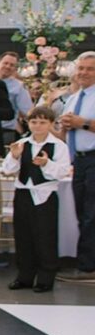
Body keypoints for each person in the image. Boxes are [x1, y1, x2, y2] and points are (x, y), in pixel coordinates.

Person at [2, 105, 71, 293]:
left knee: (45, 237)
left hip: (45, 195)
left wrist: (47, 163)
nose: (38, 126)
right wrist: (15, 157)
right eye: (34, 122)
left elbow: (62, 171)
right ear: (28, 123)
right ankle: (24, 276)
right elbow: (7, 170)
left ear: (50, 124)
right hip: (23, 193)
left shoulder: (59, 146)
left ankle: (45, 278)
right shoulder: (22, 143)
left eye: (42, 122)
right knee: (23, 236)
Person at [56, 50, 95, 283]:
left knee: (92, 214)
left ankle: (88, 267)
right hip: (78, 160)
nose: (84, 73)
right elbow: (64, 133)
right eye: (81, 68)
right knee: (82, 212)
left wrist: (84, 123)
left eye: (90, 69)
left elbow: (84, 125)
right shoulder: (73, 97)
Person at [0, 51, 33, 148]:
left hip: (6, 132)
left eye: (12, 65)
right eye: (5, 63)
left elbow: (28, 111)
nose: (8, 66)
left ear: (15, 69)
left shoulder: (19, 87)